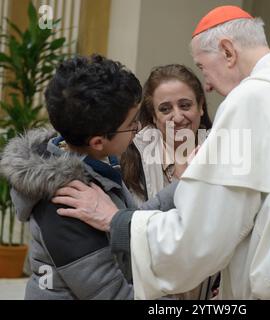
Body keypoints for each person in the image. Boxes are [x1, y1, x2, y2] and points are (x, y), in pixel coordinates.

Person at [51, 6, 270, 299]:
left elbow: (200, 238)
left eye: (203, 67)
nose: (209, 85)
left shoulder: (251, 99)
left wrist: (118, 221)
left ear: (228, 51)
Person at [0, 55, 178, 299]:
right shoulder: (65, 202)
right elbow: (112, 294)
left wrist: (188, 182)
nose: (137, 128)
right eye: (132, 124)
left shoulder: (96, 163)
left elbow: (126, 219)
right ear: (98, 141)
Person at [120, 64, 215, 299]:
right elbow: (131, 230)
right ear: (153, 116)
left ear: (201, 107)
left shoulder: (224, 154)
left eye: (185, 105)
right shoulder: (132, 160)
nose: (178, 116)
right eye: (165, 109)